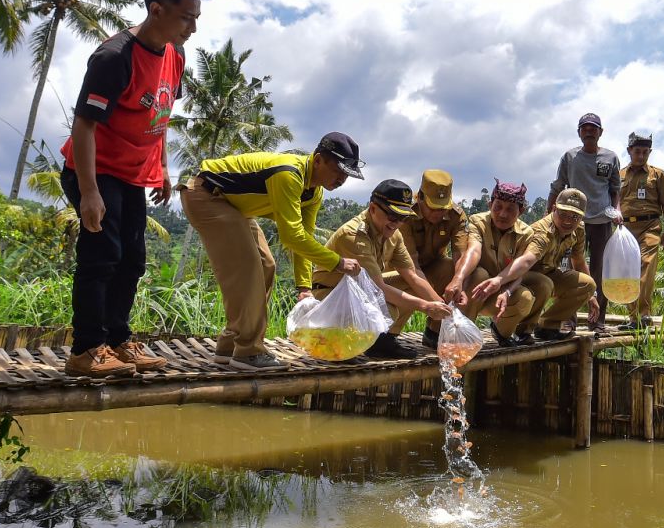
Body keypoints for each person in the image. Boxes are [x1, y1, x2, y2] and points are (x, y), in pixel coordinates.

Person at [59, 0, 206, 378]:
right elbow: (84, 125)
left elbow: (160, 114)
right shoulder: (113, 57)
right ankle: (86, 349)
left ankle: (119, 342)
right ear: (157, 9)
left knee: (132, 260)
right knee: (101, 258)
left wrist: (160, 166)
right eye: (186, 17)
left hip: (131, 175)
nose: (192, 27)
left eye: (196, 18)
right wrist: (89, 193)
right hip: (93, 170)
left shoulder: (175, 54)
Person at [180, 133, 365, 368]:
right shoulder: (288, 174)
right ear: (318, 160)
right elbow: (291, 237)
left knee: (267, 265)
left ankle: (229, 346)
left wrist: (304, 287)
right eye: (338, 170)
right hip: (205, 195)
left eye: (346, 175)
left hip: (234, 207)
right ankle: (248, 351)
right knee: (248, 269)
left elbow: (303, 239)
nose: (341, 179)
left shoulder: (314, 192)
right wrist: (337, 262)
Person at [311, 179, 452, 359]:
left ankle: (384, 342)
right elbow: (378, 289)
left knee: (410, 285)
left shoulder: (395, 235)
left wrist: (446, 311)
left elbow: (413, 276)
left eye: (402, 218)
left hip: (359, 293)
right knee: (388, 307)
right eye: (392, 217)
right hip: (331, 298)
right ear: (373, 209)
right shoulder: (353, 236)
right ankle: (344, 337)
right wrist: (426, 307)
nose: (396, 223)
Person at [474, 188, 599, 341]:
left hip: (549, 273)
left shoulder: (578, 229)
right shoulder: (542, 232)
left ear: (581, 217)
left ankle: (547, 326)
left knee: (587, 284)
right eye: (563, 214)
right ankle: (523, 330)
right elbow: (526, 261)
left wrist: (592, 296)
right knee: (543, 283)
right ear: (554, 209)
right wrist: (499, 280)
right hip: (521, 276)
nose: (568, 221)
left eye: (574, 216)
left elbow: (578, 260)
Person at [547, 112, 622, 331]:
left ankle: (598, 320)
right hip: (572, 221)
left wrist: (617, 210)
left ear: (600, 132)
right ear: (579, 132)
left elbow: (615, 189)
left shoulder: (610, 158)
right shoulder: (570, 157)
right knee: (571, 270)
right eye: (585, 128)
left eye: (593, 128)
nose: (589, 132)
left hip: (601, 221)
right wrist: (548, 213)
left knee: (600, 269)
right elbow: (558, 185)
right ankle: (568, 319)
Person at [449, 180, 545, 347]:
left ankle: (501, 332)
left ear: (521, 211)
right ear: (489, 204)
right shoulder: (477, 222)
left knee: (525, 297)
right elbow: (474, 250)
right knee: (480, 274)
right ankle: (463, 333)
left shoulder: (526, 233)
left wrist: (506, 292)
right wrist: (459, 278)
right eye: (498, 207)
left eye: (510, 209)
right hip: (473, 291)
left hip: (498, 294)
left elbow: (519, 272)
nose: (502, 214)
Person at [387, 170, 471, 348]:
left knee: (451, 269)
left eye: (443, 208)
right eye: (434, 208)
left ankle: (434, 332)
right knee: (409, 283)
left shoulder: (456, 216)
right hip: (402, 271)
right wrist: (439, 305)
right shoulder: (406, 215)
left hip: (432, 268)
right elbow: (411, 268)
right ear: (421, 197)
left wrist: (459, 282)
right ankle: (388, 336)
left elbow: (460, 255)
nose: (439, 213)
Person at [617, 132, 664, 330]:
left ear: (649, 152)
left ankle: (644, 313)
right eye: (637, 152)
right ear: (629, 151)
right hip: (624, 228)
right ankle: (633, 318)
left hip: (650, 226)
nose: (641, 156)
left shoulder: (657, 175)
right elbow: (614, 201)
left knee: (646, 265)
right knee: (627, 270)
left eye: (645, 152)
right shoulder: (619, 175)